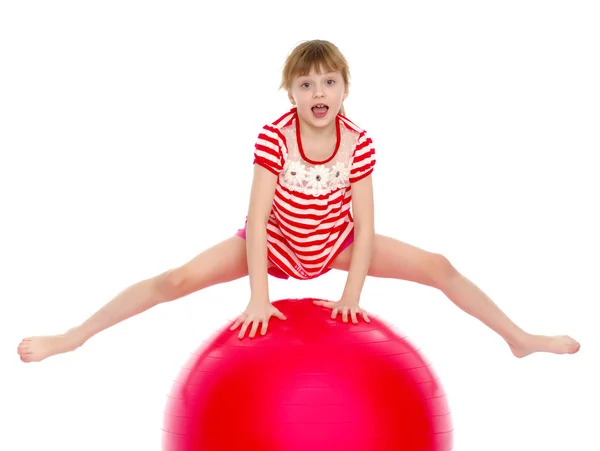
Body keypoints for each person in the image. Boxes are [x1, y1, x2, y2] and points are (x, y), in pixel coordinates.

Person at [17, 40, 580, 363]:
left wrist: (351, 293)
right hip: (275, 244)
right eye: (306, 84)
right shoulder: (274, 136)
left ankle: (519, 338)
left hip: (335, 244)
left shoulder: (358, 142)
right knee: (174, 281)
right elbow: (257, 222)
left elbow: (366, 227)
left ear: (345, 89)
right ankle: (74, 337)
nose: (318, 94)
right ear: (291, 92)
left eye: (329, 82)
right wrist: (260, 297)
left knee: (439, 266)